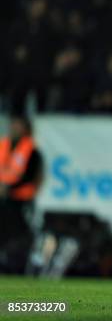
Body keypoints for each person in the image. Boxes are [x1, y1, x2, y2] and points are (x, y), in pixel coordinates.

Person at [0, 115, 44, 273]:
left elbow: (30, 176)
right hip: (3, 201)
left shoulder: (31, 150)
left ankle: (18, 266)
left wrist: (9, 188)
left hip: (21, 201)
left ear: (25, 129)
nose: (14, 128)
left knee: (19, 235)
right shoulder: (3, 145)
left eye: (18, 125)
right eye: (13, 124)